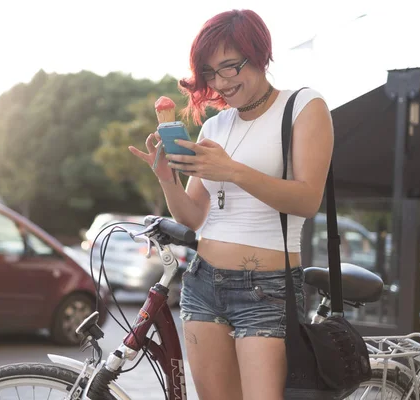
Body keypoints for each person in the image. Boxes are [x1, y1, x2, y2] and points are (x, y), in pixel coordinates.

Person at [129, 9, 333, 400]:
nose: (221, 82)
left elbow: (308, 199)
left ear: (260, 54)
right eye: (210, 73)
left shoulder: (303, 106)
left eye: (231, 67)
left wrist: (233, 170)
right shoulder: (214, 126)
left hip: (267, 288)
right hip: (203, 282)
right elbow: (193, 216)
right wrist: (166, 179)